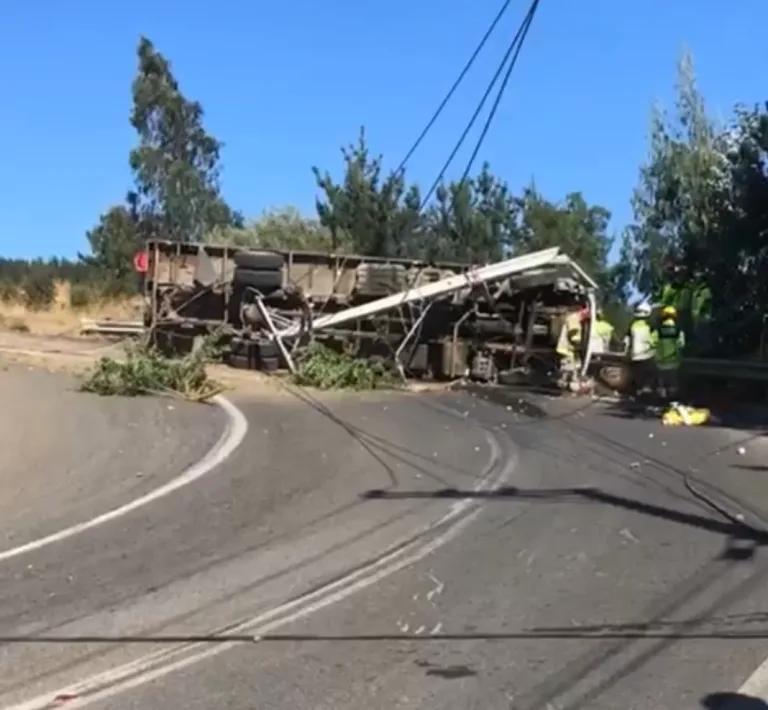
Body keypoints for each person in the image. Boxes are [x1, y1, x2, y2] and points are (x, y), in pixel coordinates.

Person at [624, 302, 656, 396]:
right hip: (647, 355)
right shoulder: (650, 326)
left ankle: (635, 392)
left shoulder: (632, 325)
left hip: (634, 355)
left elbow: (626, 341)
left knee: (636, 375)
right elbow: (654, 341)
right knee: (647, 375)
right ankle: (646, 390)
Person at [655, 304, 685, 400]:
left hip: (660, 362)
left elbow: (652, 343)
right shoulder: (678, 330)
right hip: (673, 361)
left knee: (662, 381)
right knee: (672, 381)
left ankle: (661, 398)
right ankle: (671, 400)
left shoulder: (658, 330)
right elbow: (681, 345)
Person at [556, 304, 588, 390]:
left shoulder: (572, 318)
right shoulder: (574, 318)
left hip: (568, 349)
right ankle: (562, 384)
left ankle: (567, 383)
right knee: (569, 367)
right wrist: (580, 343)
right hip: (567, 349)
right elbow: (574, 336)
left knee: (573, 367)